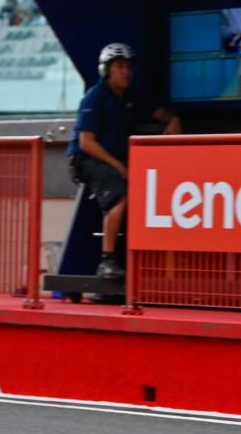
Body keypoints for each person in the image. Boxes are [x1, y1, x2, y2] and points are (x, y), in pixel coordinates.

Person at [67, 43, 181, 279]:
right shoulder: (94, 98)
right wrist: (120, 167)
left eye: (129, 67)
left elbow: (162, 114)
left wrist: (173, 122)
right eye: (120, 67)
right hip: (86, 160)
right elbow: (87, 142)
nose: (126, 72)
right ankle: (106, 262)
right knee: (120, 195)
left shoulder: (132, 97)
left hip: (116, 162)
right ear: (106, 70)